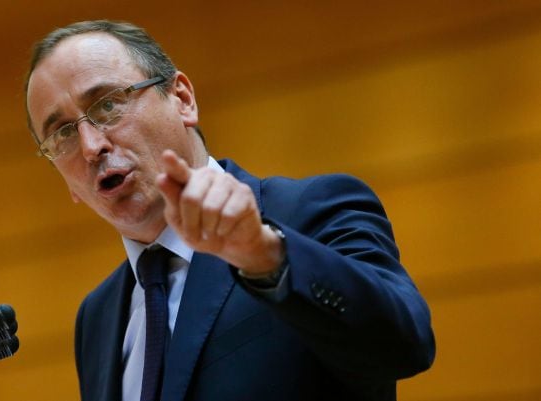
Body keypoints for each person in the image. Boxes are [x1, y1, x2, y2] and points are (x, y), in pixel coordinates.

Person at [24, 20, 435, 401]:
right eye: (61, 134)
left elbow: (406, 347)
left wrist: (266, 257)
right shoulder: (96, 318)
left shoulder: (310, 213)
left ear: (182, 99)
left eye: (108, 105)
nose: (91, 146)